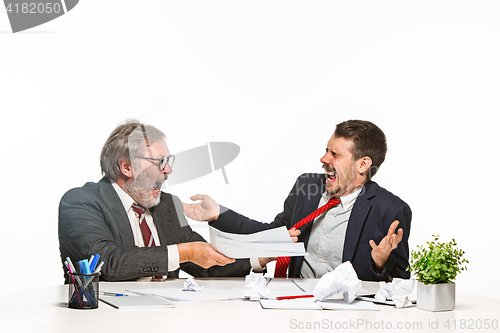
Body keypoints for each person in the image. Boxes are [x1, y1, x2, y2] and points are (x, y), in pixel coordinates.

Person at [184, 120, 411, 281]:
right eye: (326, 151)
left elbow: (400, 283)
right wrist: (218, 214)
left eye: (335, 154)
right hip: (293, 300)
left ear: (363, 165)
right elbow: (271, 234)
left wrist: (380, 262)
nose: (324, 159)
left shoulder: (390, 210)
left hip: (348, 312)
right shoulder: (306, 188)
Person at [58, 120, 254, 283]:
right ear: (127, 167)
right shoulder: (81, 202)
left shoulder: (168, 205)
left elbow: (207, 267)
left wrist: (261, 257)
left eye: (169, 162)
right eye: (161, 162)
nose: (168, 170)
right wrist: (184, 252)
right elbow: (108, 263)